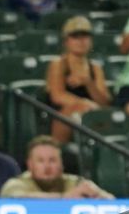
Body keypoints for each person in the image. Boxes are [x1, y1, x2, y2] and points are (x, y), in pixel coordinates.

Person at [44, 15, 111, 143]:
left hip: (91, 119)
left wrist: (88, 82)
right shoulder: (59, 64)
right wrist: (84, 105)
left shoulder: (95, 68)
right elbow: (57, 96)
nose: (81, 41)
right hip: (60, 119)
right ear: (66, 41)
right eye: (75, 36)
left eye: (85, 36)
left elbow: (104, 103)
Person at [0, 135, 114, 198]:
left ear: (61, 164)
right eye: (40, 161)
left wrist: (96, 195)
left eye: (52, 160)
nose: (47, 166)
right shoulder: (16, 184)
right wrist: (65, 197)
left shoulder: (76, 183)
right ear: (30, 164)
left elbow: (111, 202)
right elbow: (18, 199)